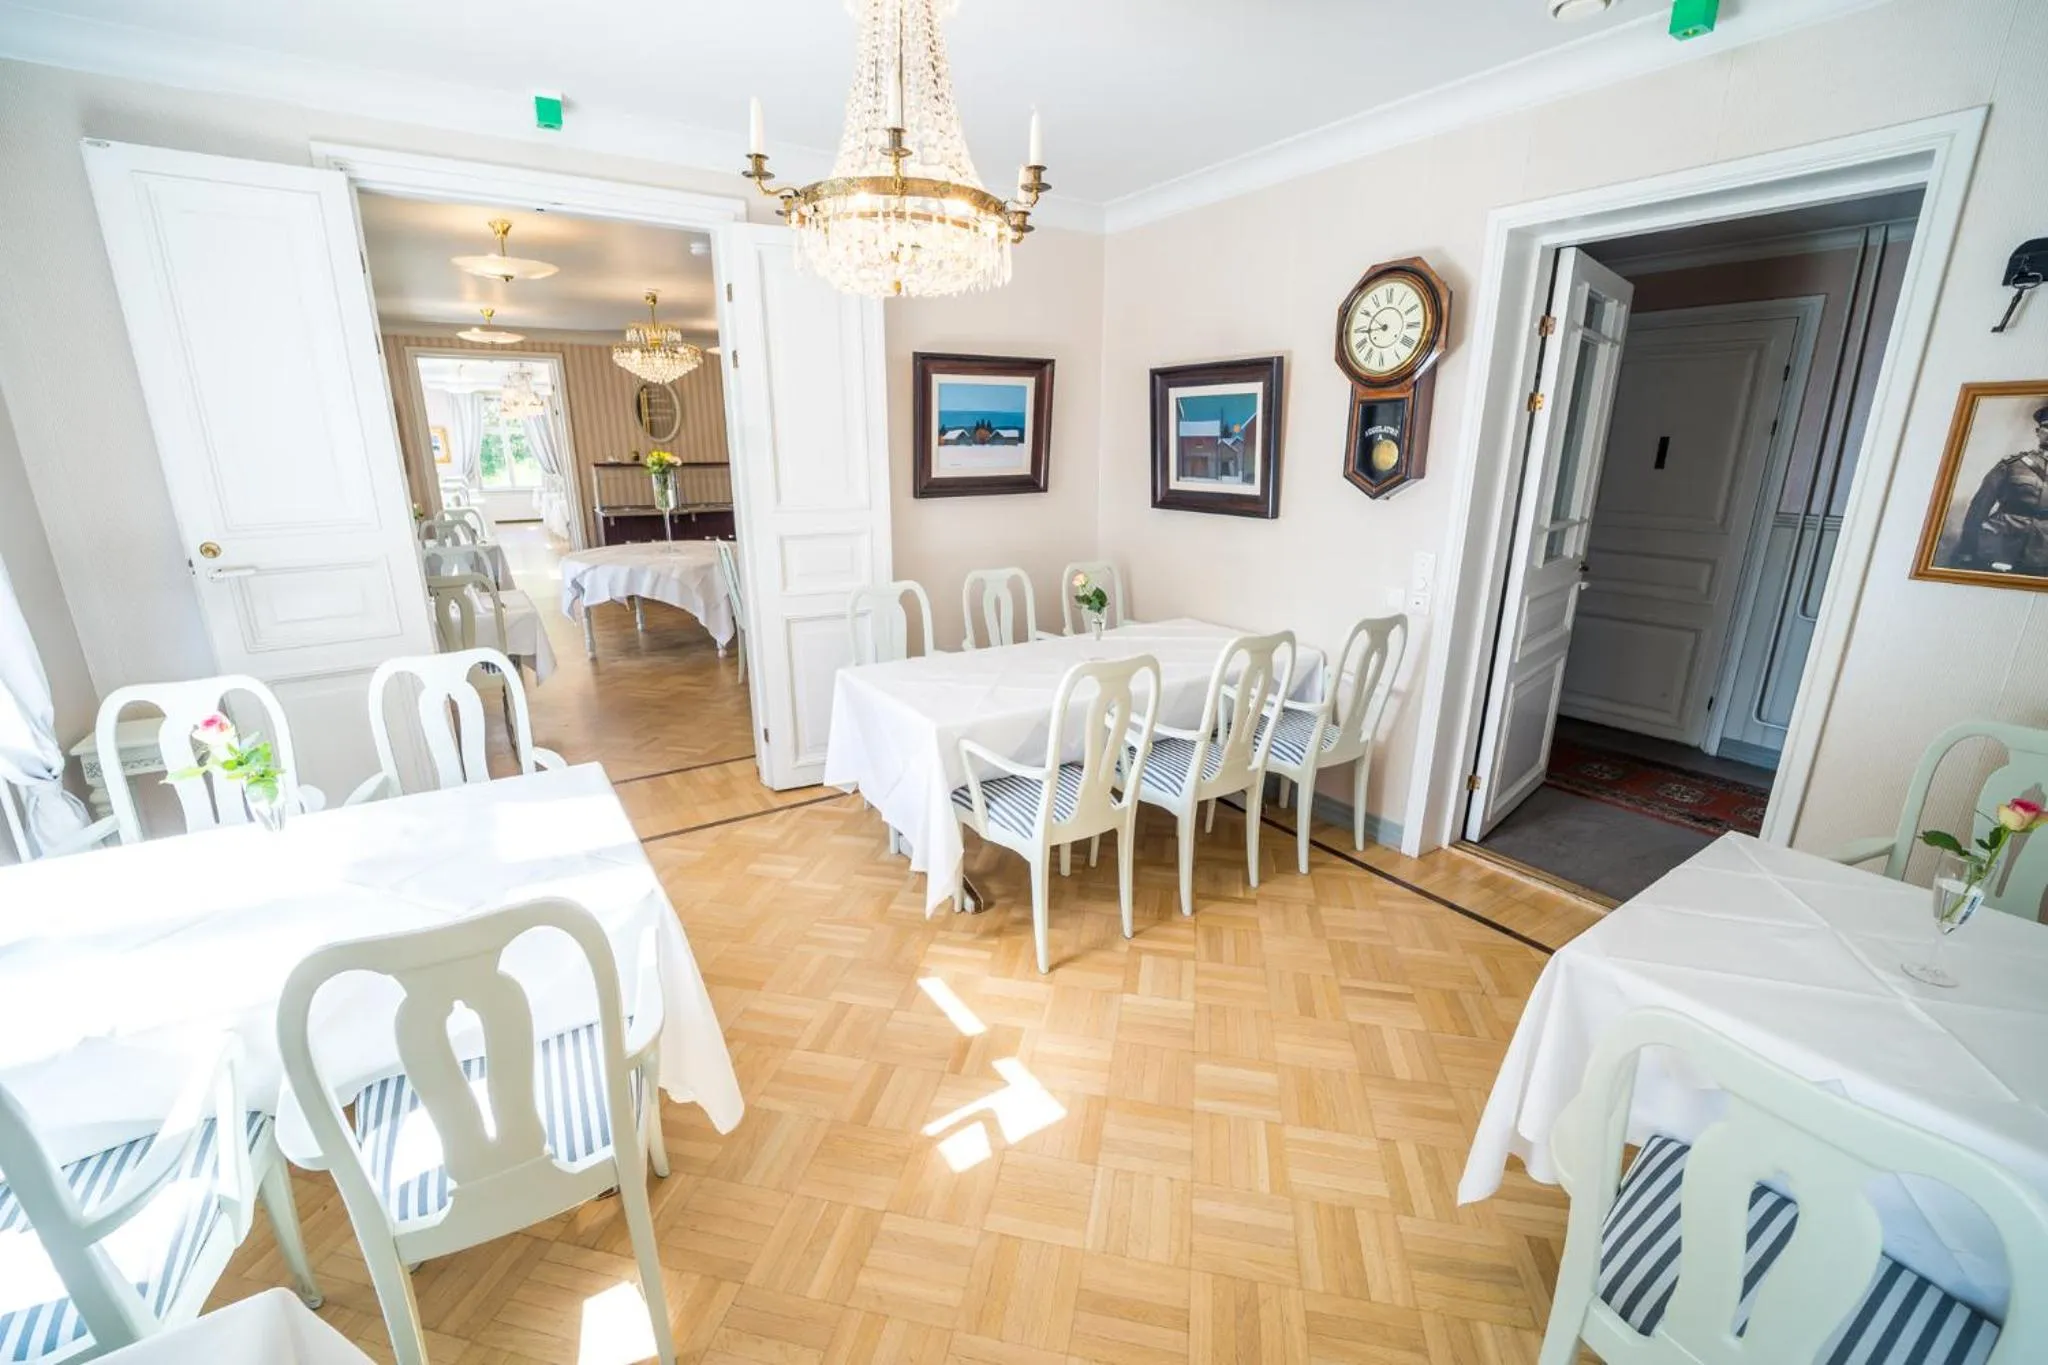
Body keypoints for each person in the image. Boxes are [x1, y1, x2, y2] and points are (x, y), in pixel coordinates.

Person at [1954, 403, 2048, 574]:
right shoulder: (2012, 465)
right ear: (2037, 432)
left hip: (2043, 553)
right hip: (2002, 545)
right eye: (2047, 427)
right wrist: (1967, 550)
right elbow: (1979, 507)